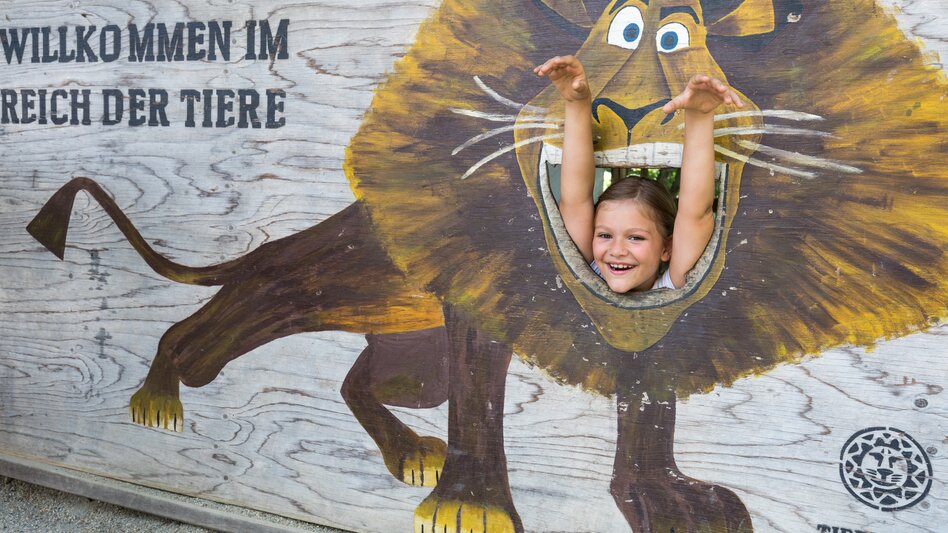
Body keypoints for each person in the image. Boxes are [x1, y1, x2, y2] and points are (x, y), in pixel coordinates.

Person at [534, 55, 743, 293]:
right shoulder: (587, 268)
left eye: (636, 238)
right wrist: (576, 102)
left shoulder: (672, 284)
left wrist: (700, 116)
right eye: (604, 235)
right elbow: (575, 201)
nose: (617, 250)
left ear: (667, 248)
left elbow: (696, 214)